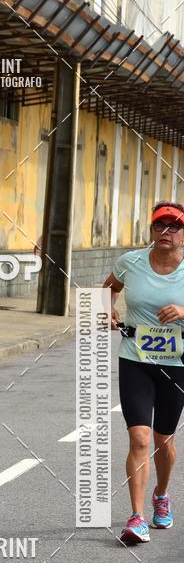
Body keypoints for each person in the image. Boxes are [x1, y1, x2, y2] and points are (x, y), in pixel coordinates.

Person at [103, 200, 184, 544]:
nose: (165, 232)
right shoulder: (130, 262)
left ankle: (161, 494)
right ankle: (136, 517)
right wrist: (108, 310)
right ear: (150, 230)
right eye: (159, 226)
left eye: (174, 227)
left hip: (177, 365)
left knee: (163, 441)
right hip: (135, 358)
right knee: (139, 437)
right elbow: (108, 289)